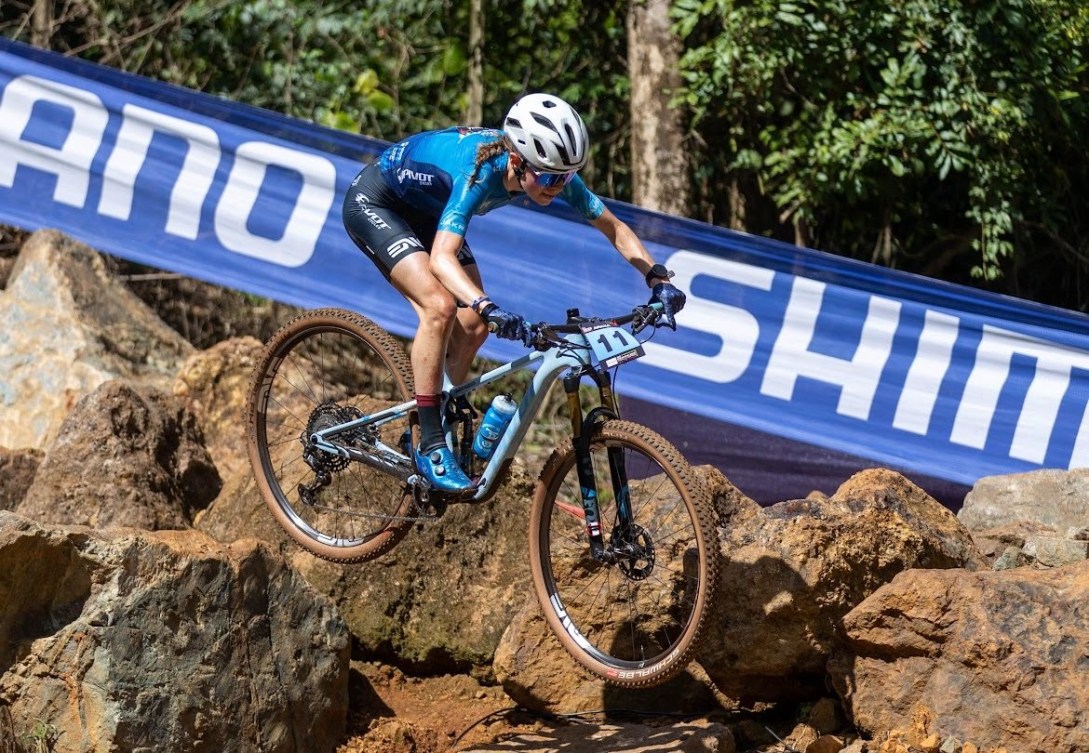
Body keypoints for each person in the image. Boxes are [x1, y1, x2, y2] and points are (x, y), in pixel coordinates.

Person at [342, 92, 686, 493]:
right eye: (550, 177)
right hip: (378, 203)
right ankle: (429, 440)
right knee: (439, 308)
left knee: (473, 327)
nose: (558, 187)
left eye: (566, 176)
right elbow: (441, 258)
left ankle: (443, 410)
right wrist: (486, 304)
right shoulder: (479, 170)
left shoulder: (552, 173)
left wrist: (657, 278)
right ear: (518, 160)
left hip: (428, 211)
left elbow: (614, 228)